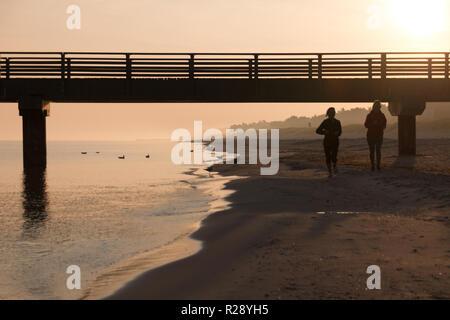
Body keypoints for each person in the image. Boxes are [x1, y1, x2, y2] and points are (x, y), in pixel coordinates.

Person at [316, 107, 342, 177]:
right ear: (328, 114)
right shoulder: (325, 122)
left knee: (334, 156)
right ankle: (330, 172)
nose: (332, 114)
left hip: (335, 141)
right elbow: (317, 130)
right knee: (328, 157)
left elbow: (340, 132)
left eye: (333, 112)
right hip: (327, 141)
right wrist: (324, 132)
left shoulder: (337, 122)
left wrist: (337, 133)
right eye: (331, 112)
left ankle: (334, 166)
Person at [364, 100, 387, 171]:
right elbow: (366, 125)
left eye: (378, 107)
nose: (377, 108)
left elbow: (384, 125)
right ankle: (373, 165)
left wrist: (379, 124)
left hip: (379, 135)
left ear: (379, 107)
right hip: (371, 135)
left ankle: (378, 165)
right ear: (374, 107)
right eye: (376, 106)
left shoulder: (382, 115)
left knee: (378, 150)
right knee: (372, 151)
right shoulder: (369, 115)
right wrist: (373, 124)